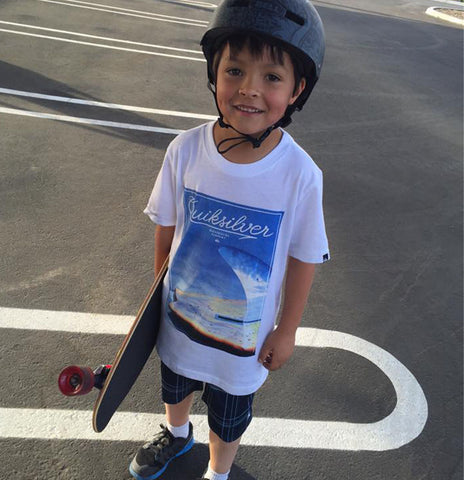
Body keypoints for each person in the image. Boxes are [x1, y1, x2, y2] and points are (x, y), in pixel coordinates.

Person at [130, 1, 329, 479]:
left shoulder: (300, 175)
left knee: (229, 413)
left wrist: (287, 330)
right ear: (213, 72)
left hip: (245, 343)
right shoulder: (186, 150)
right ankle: (177, 436)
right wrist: (156, 298)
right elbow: (167, 228)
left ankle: (218, 473)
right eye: (235, 69)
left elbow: (305, 256)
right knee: (175, 384)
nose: (249, 89)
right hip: (180, 319)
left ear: (298, 89)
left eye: (272, 77)